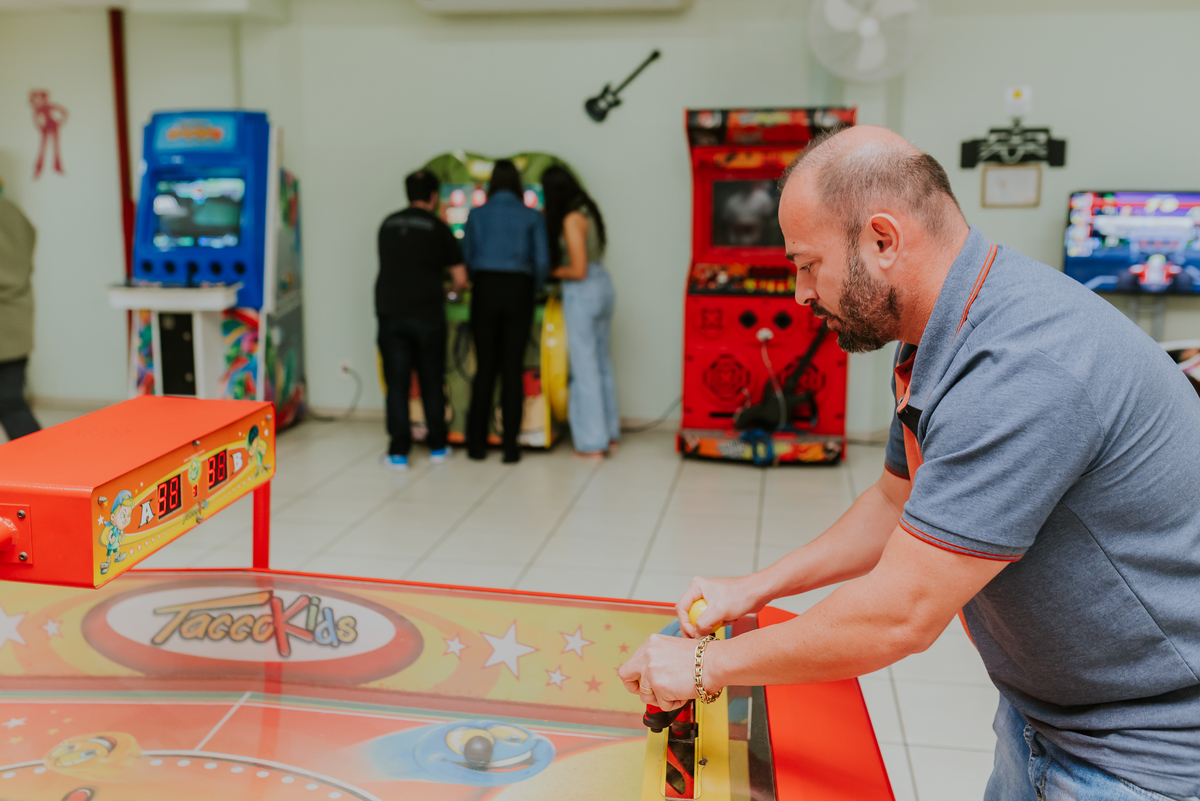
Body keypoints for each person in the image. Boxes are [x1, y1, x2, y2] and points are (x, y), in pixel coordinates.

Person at [618, 126, 1200, 801]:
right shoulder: (939, 331)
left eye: (808, 263)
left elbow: (902, 613)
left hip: (1140, 752)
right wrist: (754, 587)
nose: (799, 293)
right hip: (1047, 716)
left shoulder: (1021, 367)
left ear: (883, 241)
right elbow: (894, 503)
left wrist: (705, 662)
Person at [375, 169, 467, 471]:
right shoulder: (438, 228)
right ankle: (438, 445)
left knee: (397, 384)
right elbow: (460, 278)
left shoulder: (387, 224)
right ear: (433, 196)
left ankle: (398, 451)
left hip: (390, 314)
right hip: (427, 316)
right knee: (431, 380)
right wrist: (452, 293)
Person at [461, 160, 549, 463]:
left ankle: (475, 445)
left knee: (485, 368)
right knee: (512, 368)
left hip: (485, 288)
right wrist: (531, 287)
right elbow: (543, 261)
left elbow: (467, 259)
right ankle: (510, 447)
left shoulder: (476, 214)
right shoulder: (532, 217)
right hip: (518, 290)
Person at [542, 166, 619, 458]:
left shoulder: (571, 219)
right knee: (600, 364)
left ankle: (592, 442)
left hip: (583, 291)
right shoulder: (587, 210)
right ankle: (609, 434)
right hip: (602, 286)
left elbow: (577, 268)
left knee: (584, 368)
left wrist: (550, 271)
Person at [0, 179, 41, 441]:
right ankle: (44, 468)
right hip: (17, 324)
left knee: (12, 407)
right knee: (13, 403)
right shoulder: (12, 211)